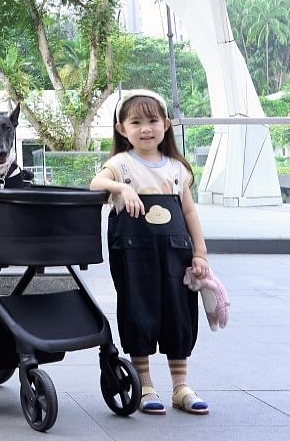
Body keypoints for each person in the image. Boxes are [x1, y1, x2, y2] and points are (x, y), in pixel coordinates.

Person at [89, 89, 212, 415]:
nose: (146, 128)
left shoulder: (177, 169)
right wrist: (121, 187)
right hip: (134, 255)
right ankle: (145, 385)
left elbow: (189, 213)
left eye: (153, 121)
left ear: (166, 124)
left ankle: (180, 386)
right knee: (138, 311)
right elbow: (95, 184)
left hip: (176, 253)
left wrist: (200, 253)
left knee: (179, 312)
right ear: (121, 129)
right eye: (136, 122)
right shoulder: (121, 165)